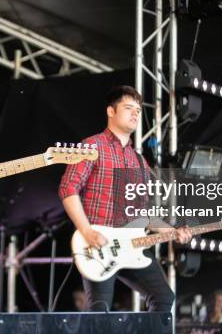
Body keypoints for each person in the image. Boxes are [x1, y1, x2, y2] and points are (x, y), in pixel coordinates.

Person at [58, 85, 191, 312]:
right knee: (100, 312)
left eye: (138, 110)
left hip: (131, 245)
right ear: (111, 112)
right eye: (128, 108)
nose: (135, 114)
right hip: (97, 244)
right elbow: (68, 189)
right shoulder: (92, 146)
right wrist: (87, 231)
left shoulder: (140, 161)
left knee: (164, 299)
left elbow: (143, 213)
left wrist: (173, 232)